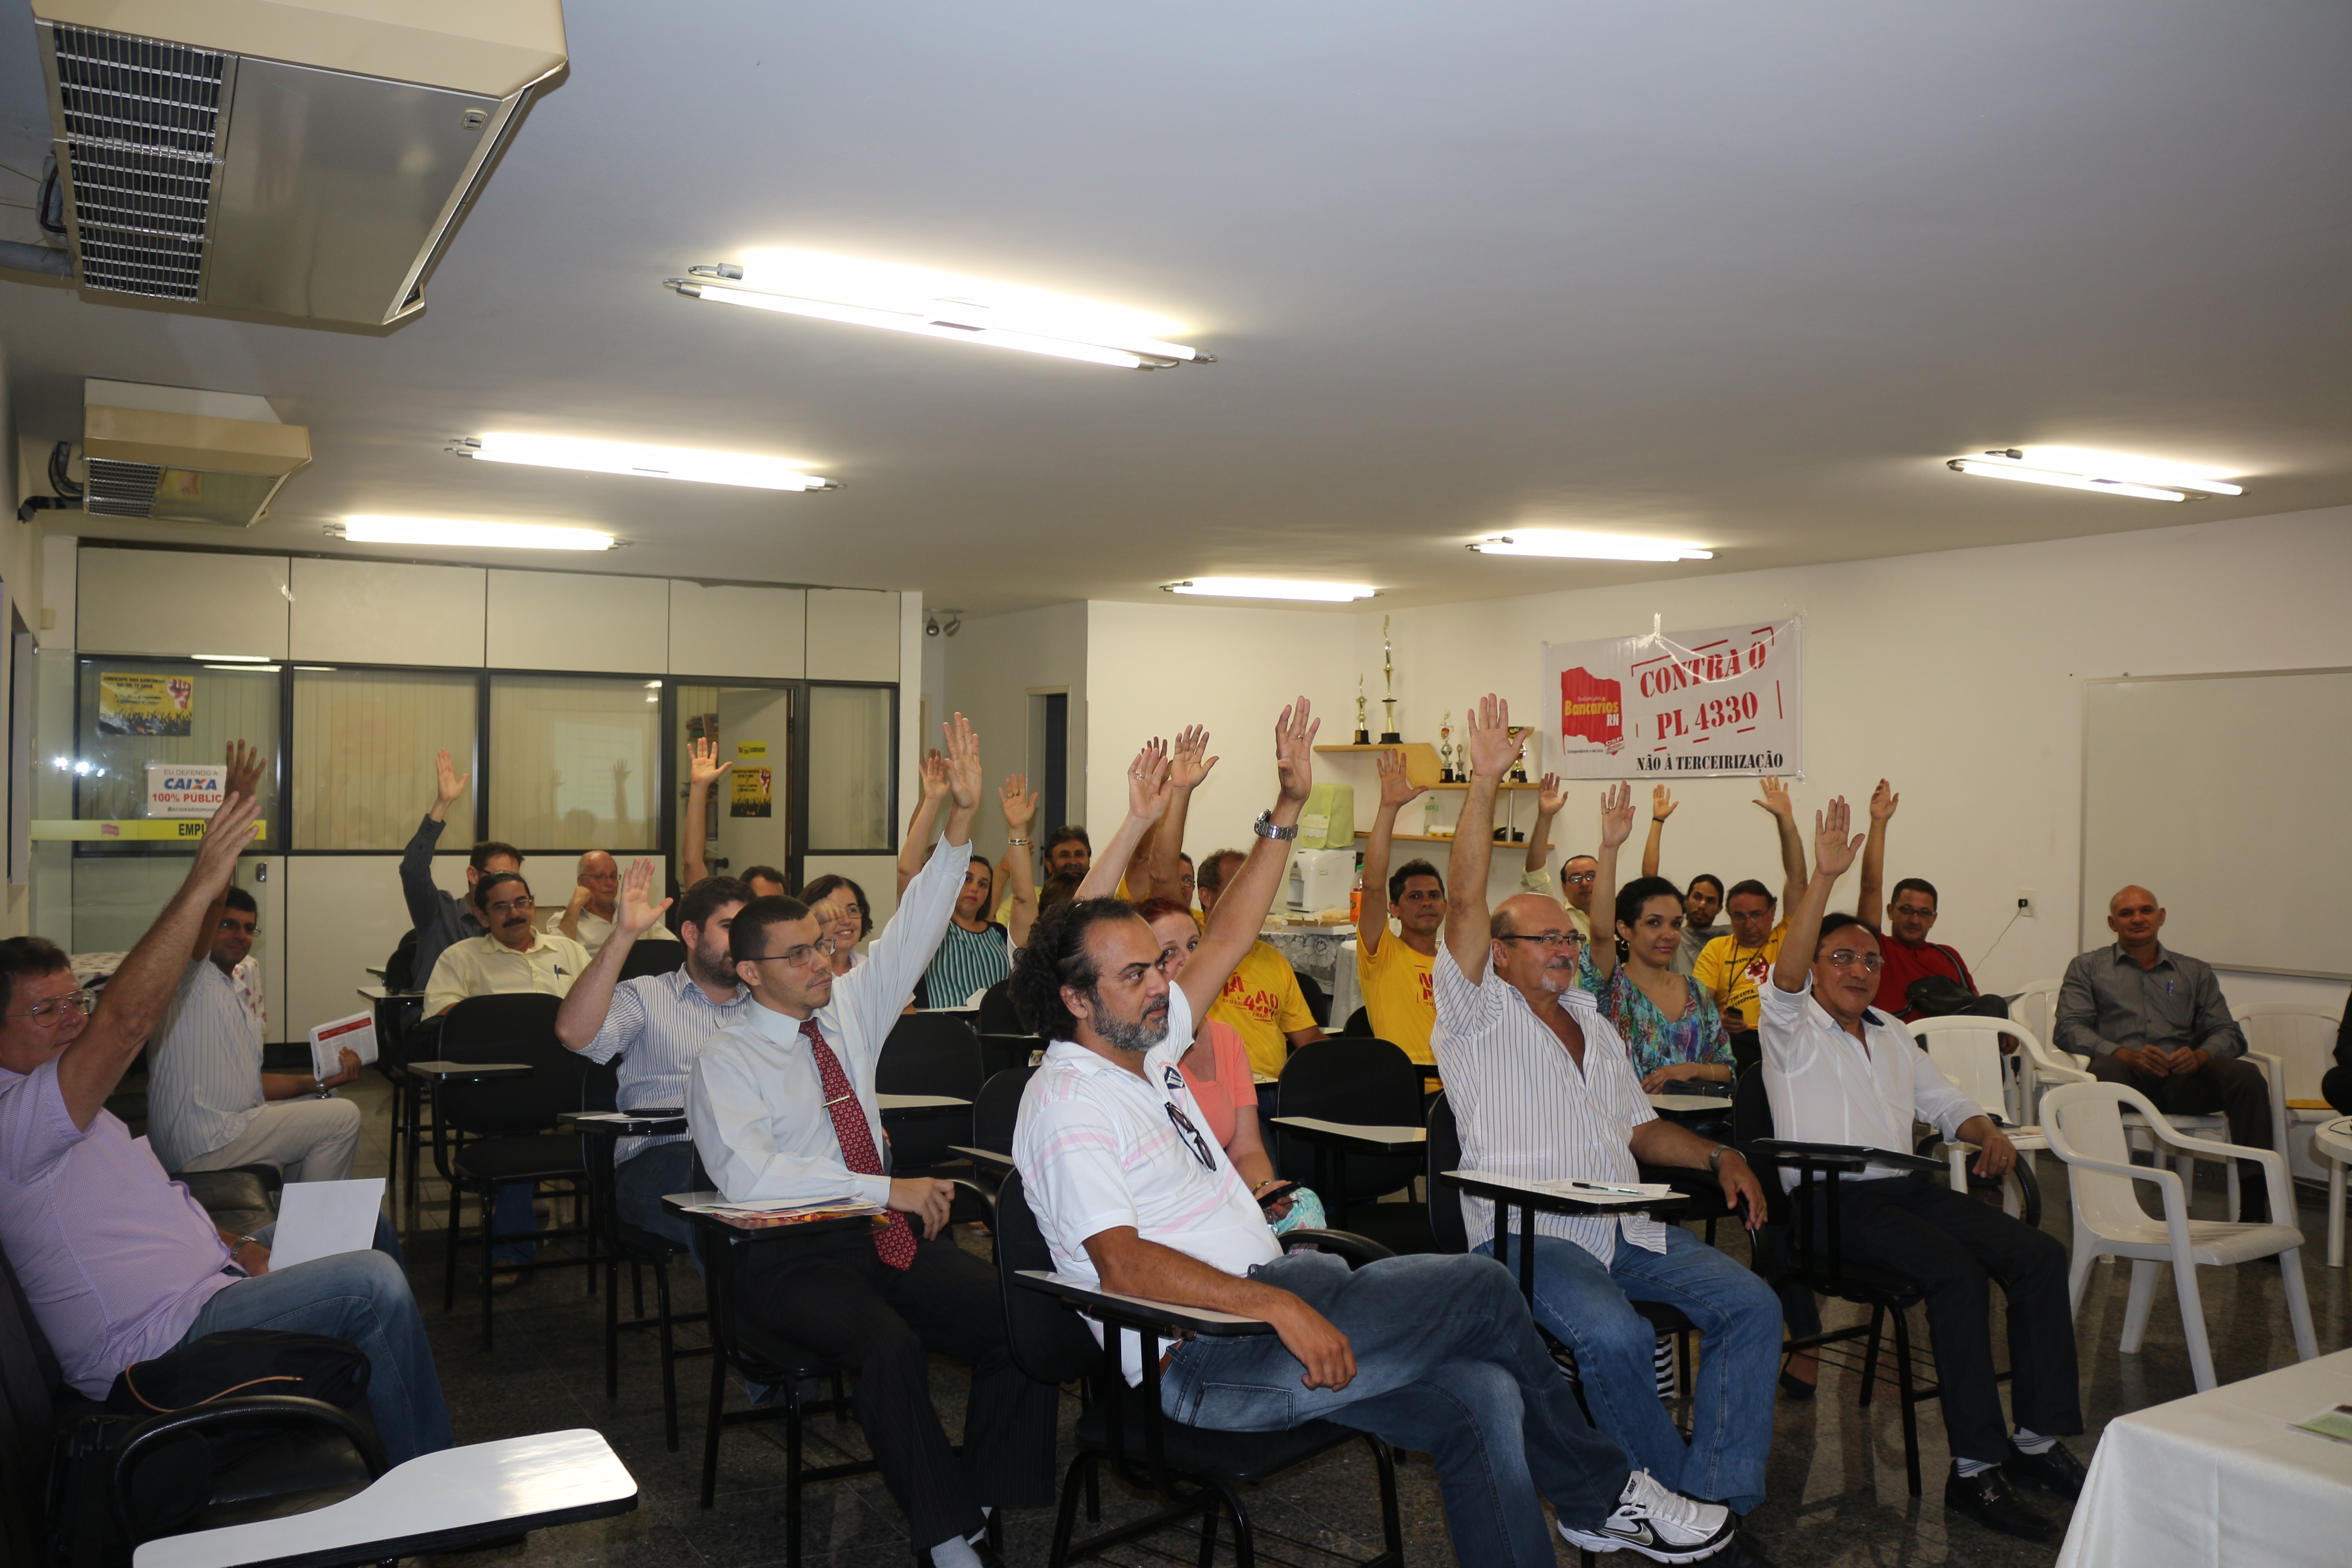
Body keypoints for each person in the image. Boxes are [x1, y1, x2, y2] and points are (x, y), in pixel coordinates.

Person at [1014, 696, 1736, 1567]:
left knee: (1483, 1398)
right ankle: (1601, 1495)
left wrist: (1286, 808)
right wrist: (1273, 1305)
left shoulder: (1145, 1044)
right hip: (1208, 1360)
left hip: (1274, 1296)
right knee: (1484, 1289)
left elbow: (1230, 932)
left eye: (1157, 967)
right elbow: (1122, 1266)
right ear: (1074, 999)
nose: (1163, 985)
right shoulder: (1067, 1102)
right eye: (1135, 974)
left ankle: (1583, 1508)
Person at [688, 715, 1056, 1568]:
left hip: (871, 1237)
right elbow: (750, 1179)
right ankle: (945, 1537)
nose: (822, 962)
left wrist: (960, 819)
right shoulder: (725, 1058)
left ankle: (980, 1494)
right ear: (750, 973)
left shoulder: (847, 1007)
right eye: (798, 956)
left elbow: (919, 923)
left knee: (1018, 1314)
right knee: (889, 1347)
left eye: (820, 947)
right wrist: (885, 1189)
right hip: (781, 1259)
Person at [0, 784, 452, 1465]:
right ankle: (432, 1483)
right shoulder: (18, 1121)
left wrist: (237, 1244)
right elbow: (125, 1021)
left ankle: (390, 1391)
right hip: (155, 1347)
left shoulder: (81, 1113)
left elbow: (158, 1204)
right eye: (46, 1011)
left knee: (367, 1228)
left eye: (74, 1003)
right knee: (372, 1283)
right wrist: (205, 875)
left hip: (209, 1283)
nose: (71, 1021)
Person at [1437, 704, 1779, 1523]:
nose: (1564, 949)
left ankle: (1716, 1491)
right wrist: (1484, 781)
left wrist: (1718, 1156)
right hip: (1528, 1239)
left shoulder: (1593, 1023)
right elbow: (1463, 897)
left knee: (1751, 1305)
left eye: (1567, 938)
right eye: (1544, 940)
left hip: (1624, 1226)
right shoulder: (1475, 1015)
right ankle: (1664, 1498)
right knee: (1618, 1336)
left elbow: (1638, 1128)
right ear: (1501, 953)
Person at [1763, 795, 2084, 1541]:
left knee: (2038, 1255)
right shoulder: (1790, 1028)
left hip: (1906, 1191)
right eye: (1841, 957)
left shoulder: (1891, 1032)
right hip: (1831, 1204)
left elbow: (1945, 1103)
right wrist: (1823, 877)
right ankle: (1973, 1469)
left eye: (1870, 961)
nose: (1859, 969)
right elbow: (1785, 975)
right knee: (1955, 1272)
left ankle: (2034, 1441)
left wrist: (1984, 1130)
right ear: (1815, 966)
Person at [555, 865, 751, 1247]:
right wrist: (624, 934)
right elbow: (573, 1035)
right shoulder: (646, 995)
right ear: (691, 934)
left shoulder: (767, 1005)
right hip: (662, 1155)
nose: (742, 940)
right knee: (723, 1202)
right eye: (729, 927)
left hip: (750, 1154)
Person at [2055, 886, 2273, 1222]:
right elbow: (2069, 1028)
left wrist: (2201, 1056)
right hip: (2124, 1081)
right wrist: (2123, 1054)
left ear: (2161, 917)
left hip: (2185, 1080)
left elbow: (2228, 1032)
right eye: (2127, 914)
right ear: (2113, 924)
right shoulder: (2087, 967)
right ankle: (2102, 1202)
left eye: (2146, 911)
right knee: (2104, 1071)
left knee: (2246, 1076)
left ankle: (2255, 1210)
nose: (2137, 919)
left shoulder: (2195, 971)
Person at [423, 869, 590, 1280]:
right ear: (482, 916)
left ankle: (626, 1229)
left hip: (574, 1078)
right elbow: (442, 1022)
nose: (514, 913)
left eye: (521, 903)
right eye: (500, 907)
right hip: (504, 1086)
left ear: (533, 905)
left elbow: (603, 1002)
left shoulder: (569, 951)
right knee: (513, 1119)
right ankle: (512, 1249)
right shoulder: (460, 958)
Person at [151, 882, 365, 1182]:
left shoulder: (234, 993)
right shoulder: (192, 979)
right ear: (205, 926)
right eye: (228, 924)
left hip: (229, 1129)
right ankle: (307, 1215)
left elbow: (253, 1086)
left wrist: (324, 1081)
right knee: (343, 1117)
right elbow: (197, 914)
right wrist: (221, 864)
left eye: (249, 928)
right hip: (201, 1144)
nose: (241, 935)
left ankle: (291, 1208)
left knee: (328, 1098)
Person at [1580, 788, 1737, 1097]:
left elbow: (1726, 1070)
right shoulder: (1612, 986)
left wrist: (1690, 1070)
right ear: (1625, 929)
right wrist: (1609, 849)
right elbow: (1600, 933)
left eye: (1676, 924)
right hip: (1627, 1121)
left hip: (1698, 1121)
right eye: (1654, 923)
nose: (1668, 934)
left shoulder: (1696, 992)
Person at [909, 763, 1037, 1009]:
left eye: (983, 884)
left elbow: (1024, 900)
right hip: (943, 1031)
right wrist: (930, 800)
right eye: (967, 879)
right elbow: (912, 869)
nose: (975, 889)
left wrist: (1017, 829)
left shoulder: (999, 935)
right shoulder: (931, 927)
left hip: (995, 1033)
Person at [1691, 776, 1809, 1038]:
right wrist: (1718, 1020)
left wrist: (1785, 820)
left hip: (1787, 1035)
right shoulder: (1717, 949)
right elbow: (1699, 1006)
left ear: (1773, 912)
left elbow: (1798, 879)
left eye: (1756, 915)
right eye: (1739, 917)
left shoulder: (1788, 936)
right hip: (1736, 1040)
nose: (1748, 925)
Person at [1193, 847, 1326, 1078]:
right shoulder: (1191, 950)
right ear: (1206, 897)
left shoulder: (1274, 959)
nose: (1251, 896)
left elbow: (1308, 1037)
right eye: (1238, 886)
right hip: (1216, 1086)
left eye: (1254, 886)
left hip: (1273, 1087)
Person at [397, 747, 524, 985]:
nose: (507, 887)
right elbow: (413, 870)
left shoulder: (514, 919)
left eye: (513, 878)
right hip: (441, 1008)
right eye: (499, 877)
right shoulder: (439, 912)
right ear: (473, 875)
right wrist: (442, 804)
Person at [1354, 748, 1443, 1064]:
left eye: (1434, 895)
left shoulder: (1456, 964)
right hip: (1406, 1083)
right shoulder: (1382, 953)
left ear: (1446, 905)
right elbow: (1373, 884)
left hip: (1456, 1085)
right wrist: (1389, 808)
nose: (1427, 902)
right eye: (1415, 897)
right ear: (1394, 908)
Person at [1638, 786, 1725, 975]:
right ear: (1686, 900)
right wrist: (1658, 821)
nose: (1702, 905)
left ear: (1720, 909)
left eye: (1711, 901)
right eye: (1697, 897)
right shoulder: (1672, 937)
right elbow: (1650, 881)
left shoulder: (1728, 937)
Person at [551, 850, 679, 956]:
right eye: (599, 877)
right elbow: (558, 958)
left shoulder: (635, 915)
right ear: (581, 882)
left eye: (613, 877)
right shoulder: (563, 920)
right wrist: (575, 905)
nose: (609, 883)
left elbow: (676, 950)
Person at [798, 872, 871, 976]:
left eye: (852, 910)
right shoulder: (798, 972)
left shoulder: (872, 969)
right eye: (835, 912)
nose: (846, 921)